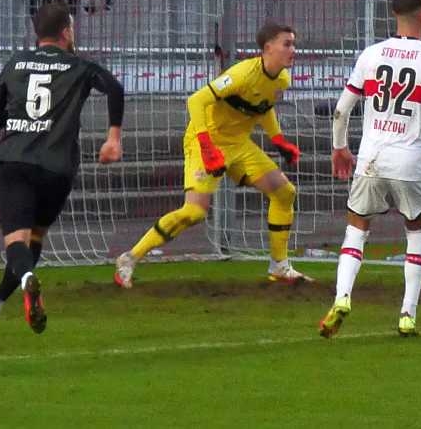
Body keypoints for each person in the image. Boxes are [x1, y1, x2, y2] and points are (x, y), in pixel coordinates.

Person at [320, 0, 421, 338]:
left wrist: (339, 148)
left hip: (371, 158)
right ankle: (407, 314)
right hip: (410, 162)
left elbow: (341, 110)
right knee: (416, 231)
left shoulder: (371, 55)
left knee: (356, 228)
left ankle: (342, 297)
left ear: (394, 14)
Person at [115, 23, 308, 287]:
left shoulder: (282, 79)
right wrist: (207, 147)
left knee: (284, 192)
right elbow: (196, 100)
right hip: (204, 140)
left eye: (293, 44)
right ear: (268, 48)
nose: (293, 49)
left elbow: (264, 107)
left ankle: (280, 267)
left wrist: (278, 140)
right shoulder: (241, 74)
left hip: (238, 144)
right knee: (194, 212)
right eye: (287, 44)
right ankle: (129, 258)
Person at [0, 2, 124, 331]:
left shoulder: (16, 63)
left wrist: (15, 117)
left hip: (17, 161)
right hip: (58, 168)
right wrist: (113, 138)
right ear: (66, 32)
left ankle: (27, 278)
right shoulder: (79, 65)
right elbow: (114, 87)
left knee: (17, 242)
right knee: (35, 237)